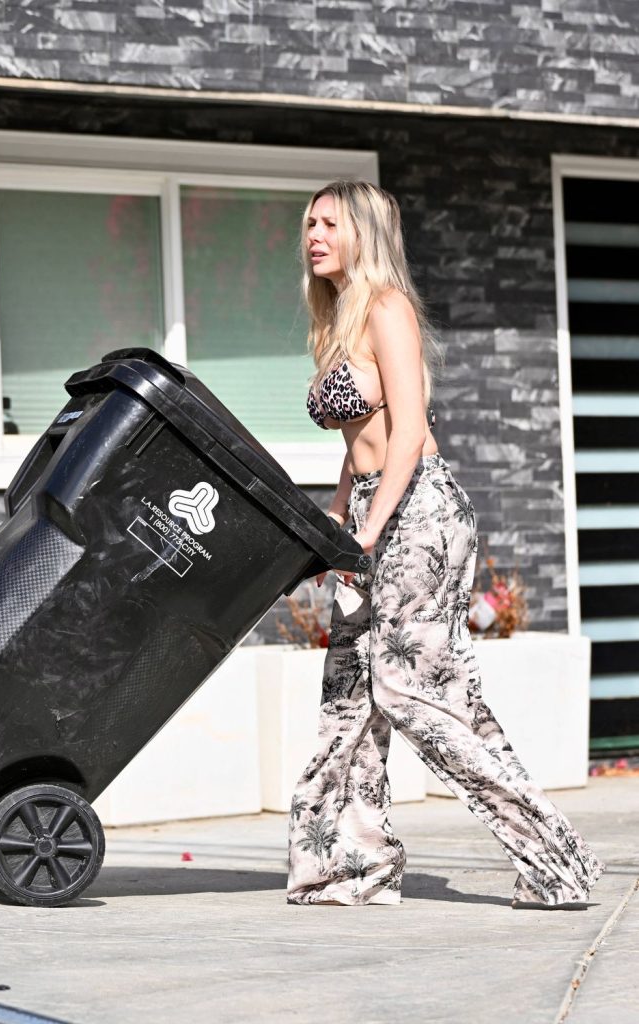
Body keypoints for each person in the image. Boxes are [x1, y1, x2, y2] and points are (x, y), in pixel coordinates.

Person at [286, 179, 606, 909]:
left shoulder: (387, 309)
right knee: (348, 698)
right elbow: (356, 442)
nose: (312, 235)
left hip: (418, 513)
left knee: (413, 692)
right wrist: (336, 521)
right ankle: (351, 866)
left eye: (328, 223)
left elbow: (405, 433)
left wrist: (366, 535)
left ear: (362, 231)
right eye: (308, 224)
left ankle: (553, 860)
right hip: (371, 509)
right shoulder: (334, 319)